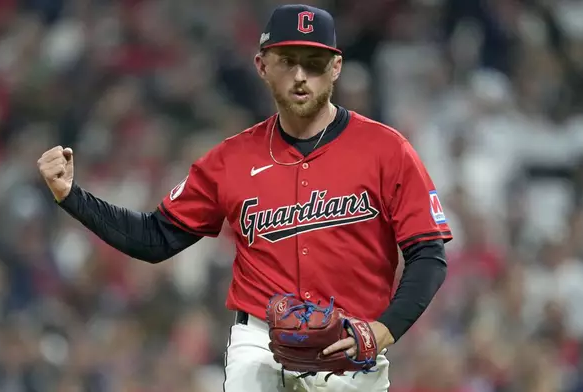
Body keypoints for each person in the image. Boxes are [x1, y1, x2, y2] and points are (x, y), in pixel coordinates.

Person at [37, 4, 452, 391]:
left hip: (351, 342)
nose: (301, 75)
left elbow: (428, 254)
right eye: (288, 61)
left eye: (314, 63)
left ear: (336, 67)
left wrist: (381, 331)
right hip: (260, 342)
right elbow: (155, 238)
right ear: (262, 65)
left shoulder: (386, 150)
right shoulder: (231, 160)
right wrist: (73, 196)